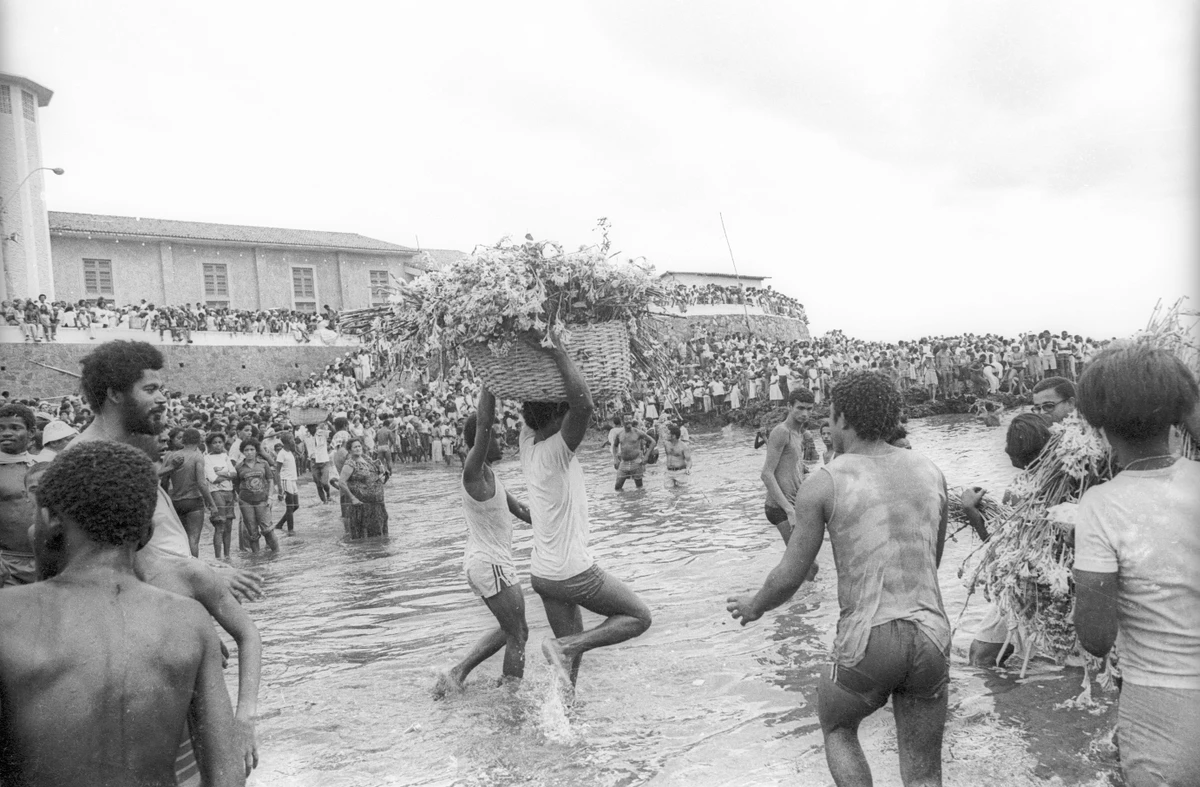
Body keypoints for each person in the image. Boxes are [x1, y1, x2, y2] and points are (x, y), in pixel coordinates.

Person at [728, 371, 951, 787]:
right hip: (932, 635)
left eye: (829, 418)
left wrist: (754, 605)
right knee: (923, 774)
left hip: (870, 638)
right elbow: (931, 560)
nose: (826, 428)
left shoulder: (826, 481)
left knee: (838, 726)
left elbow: (791, 573)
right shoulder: (930, 470)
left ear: (844, 418)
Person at [0, 440, 244, 786]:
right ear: (147, 531)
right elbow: (226, 773)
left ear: (50, 517)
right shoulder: (189, 620)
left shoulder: (7, 617)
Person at [1073, 344, 1200, 787]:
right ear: (1177, 415)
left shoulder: (1101, 506)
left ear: (1099, 425)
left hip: (1163, 709)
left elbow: (1095, 637)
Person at [69, 341, 261, 602]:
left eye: (161, 389)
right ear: (114, 394)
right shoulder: (90, 460)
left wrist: (198, 567)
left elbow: (156, 542)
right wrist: (199, 575)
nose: (162, 398)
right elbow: (122, 556)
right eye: (150, 389)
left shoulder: (125, 451)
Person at [519, 328, 652, 691]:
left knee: (568, 671)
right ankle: (565, 644)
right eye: (562, 416)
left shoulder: (527, 443)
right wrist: (558, 350)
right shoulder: (555, 452)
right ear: (555, 418)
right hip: (570, 571)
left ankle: (564, 726)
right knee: (639, 617)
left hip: (542, 574)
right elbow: (585, 404)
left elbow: (528, 400)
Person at [436, 388, 533, 696]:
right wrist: (489, 384)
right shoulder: (473, 473)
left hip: (489, 562)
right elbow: (483, 424)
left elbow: (521, 511)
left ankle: (457, 674)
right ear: (482, 440)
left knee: (512, 631)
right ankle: (510, 696)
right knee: (519, 632)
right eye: (496, 435)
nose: (502, 440)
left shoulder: (491, 476)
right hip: (489, 563)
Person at [961, 413, 1052, 667]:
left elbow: (998, 548)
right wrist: (972, 513)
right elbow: (1001, 549)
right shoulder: (1018, 488)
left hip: (1047, 581)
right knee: (981, 655)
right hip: (1020, 580)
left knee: (983, 656)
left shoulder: (1068, 480)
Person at [760, 388, 814, 544]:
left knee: (809, 565)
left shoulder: (800, 433)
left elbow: (792, 465)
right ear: (789, 407)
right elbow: (766, 474)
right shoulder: (781, 432)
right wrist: (789, 510)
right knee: (805, 565)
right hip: (781, 508)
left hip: (794, 503)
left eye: (809, 409)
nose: (805, 413)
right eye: (800, 408)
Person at [0, 403, 41, 586]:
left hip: (43, 561)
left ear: (31, 433)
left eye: (15, 427)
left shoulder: (40, 466)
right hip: (7, 565)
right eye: (1, 428)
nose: (6, 433)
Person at [168, 427, 217, 557]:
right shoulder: (197, 456)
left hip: (176, 502)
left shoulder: (172, 456)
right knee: (193, 540)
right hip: (193, 501)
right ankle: (195, 569)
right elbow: (201, 483)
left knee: (181, 539)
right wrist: (212, 504)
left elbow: (164, 482)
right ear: (198, 441)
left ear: (183, 440)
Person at [338, 437, 390, 538]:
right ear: (349, 450)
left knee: (379, 534)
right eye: (355, 447)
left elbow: (373, 475)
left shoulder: (367, 459)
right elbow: (341, 482)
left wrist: (382, 471)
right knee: (363, 535)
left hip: (377, 504)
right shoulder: (350, 463)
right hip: (362, 505)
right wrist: (353, 498)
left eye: (359, 446)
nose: (358, 448)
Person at [234, 440, 279, 553]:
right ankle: (257, 558)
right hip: (246, 502)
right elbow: (236, 484)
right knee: (252, 532)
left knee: (268, 529)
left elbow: (270, 480)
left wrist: (270, 497)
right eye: (246, 450)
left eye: (252, 449)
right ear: (242, 452)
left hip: (262, 500)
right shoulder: (239, 467)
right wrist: (242, 497)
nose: (249, 452)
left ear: (256, 451)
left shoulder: (263, 464)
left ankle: (276, 553)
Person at [205, 431, 237, 559]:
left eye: (220, 442)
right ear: (209, 445)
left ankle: (227, 555)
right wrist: (226, 474)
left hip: (229, 492)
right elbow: (212, 478)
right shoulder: (206, 458)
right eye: (214, 443)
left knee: (229, 525)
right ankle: (218, 557)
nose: (218, 445)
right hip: (216, 492)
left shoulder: (225, 456)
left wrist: (220, 472)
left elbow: (234, 473)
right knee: (220, 525)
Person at [612, 418, 656, 491]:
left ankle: (639, 501)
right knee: (617, 487)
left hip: (636, 462)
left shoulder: (637, 432)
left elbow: (653, 442)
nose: (629, 421)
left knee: (639, 487)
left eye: (630, 419)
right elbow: (615, 446)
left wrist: (646, 456)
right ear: (622, 421)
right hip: (624, 463)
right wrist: (615, 459)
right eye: (626, 419)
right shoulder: (619, 434)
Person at [273, 433, 300, 533]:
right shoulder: (282, 453)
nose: (294, 441)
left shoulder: (290, 452)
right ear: (288, 442)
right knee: (290, 506)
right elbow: (277, 471)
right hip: (286, 480)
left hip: (292, 480)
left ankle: (280, 524)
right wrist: (280, 487)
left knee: (296, 505)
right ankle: (290, 529)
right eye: (292, 440)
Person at [302, 422, 332, 504]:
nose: (312, 428)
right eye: (310, 427)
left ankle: (328, 494)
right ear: (307, 427)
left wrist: (328, 422)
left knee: (325, 482)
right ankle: (324, 501)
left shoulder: (322, 433)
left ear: (316, 427)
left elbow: (333, 432)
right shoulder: (306, 436)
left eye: (313, 426)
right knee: (318, 484)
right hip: (313, 461)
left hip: (324, 460)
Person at [661, 423, 692, 488]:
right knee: (668, 492)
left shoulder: (684, 446)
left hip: (680, 472)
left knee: (683, 492)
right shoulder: (666, 444)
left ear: (674, 436)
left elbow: (689, 460)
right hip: (668, 472)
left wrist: (688, 469)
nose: (666, 435)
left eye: (668, 434)